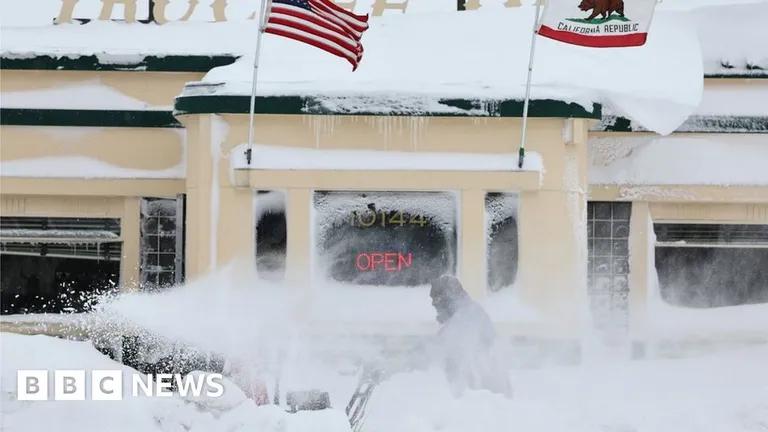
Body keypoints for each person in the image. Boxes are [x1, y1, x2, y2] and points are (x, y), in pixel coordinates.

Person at [429, 275, 512, 397]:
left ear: (447, 298)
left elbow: (456, 360)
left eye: (436, 299)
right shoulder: (467, 313)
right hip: (483, 392)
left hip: (482, 394)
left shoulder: (464, 319)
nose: (433, 304)